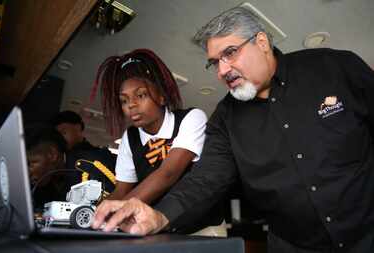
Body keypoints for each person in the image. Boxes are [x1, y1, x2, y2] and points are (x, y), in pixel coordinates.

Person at [92, 5, 374, 252]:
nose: (222, 71)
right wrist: (160, 217)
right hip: (294, 247)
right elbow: (205, 180)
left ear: (261, 42)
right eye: (215, 62)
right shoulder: (225, 117)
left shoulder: (335, 68)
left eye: (230, 53)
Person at [91, 49, 226, 235]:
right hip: (159, 228)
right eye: (124, 100)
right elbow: (122, 189)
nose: (131, 105)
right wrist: (97, 212)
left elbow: (168, 173)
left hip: (202, 227)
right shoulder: (129, 139)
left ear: (162, 96)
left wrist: (121, 209)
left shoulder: (191, 118)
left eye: (141, 95)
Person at [51, 110, 117, 196]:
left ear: (78, 128)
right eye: (57, 136)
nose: (60, 139)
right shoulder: (61, 160)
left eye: (64, 133)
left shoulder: (99, 155)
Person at [25, 126, 71, 210]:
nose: (27, 173)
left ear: (52, 154)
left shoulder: (90, 168)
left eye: (30, 164)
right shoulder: (38, 188)